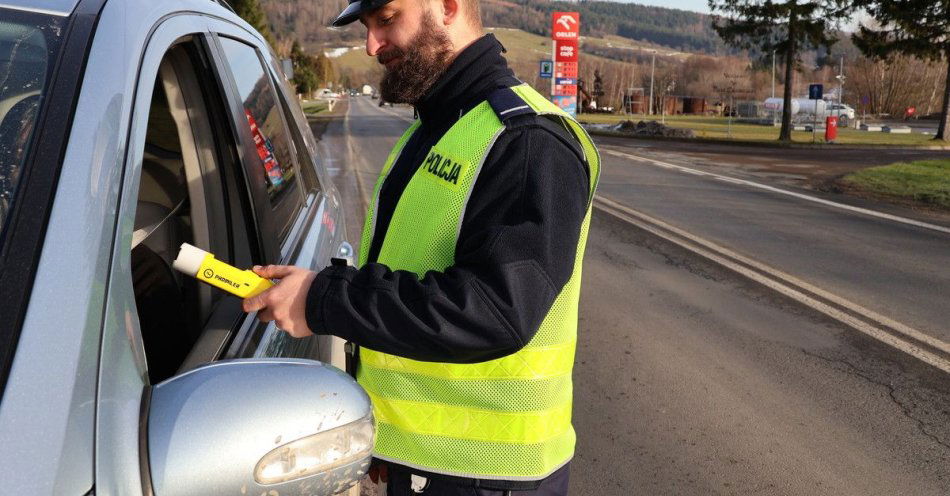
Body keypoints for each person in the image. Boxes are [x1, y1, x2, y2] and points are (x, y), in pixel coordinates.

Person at [242, 0, 600, 494]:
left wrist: (324, 300)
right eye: (367, 28)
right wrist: (391, 441)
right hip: (426, 465)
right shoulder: (434, 130)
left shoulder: (525, 140)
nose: (371, 45)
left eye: (386, 20)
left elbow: (497, 310)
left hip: (491, 478)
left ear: (448, 6)